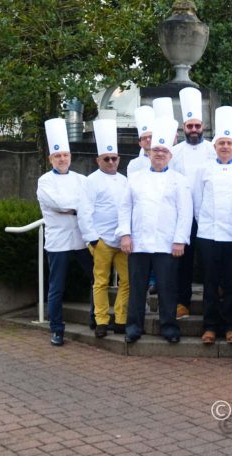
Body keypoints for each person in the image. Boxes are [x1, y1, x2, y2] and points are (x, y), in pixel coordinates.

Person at [117, 118, 193, 344]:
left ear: (170, 155)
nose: (159, 154)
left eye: (164, 151)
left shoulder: (180, 181)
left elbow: (185, 213)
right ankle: (133, 327)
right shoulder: (135, 178)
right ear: (149, 153)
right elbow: (125, 207)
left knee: (168, 289)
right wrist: (125, 235)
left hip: (167, 243)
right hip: (138, 242)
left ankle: (169, 327)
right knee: (137, 287)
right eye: (156, 150)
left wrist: (180, 240)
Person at [192, 106, 232, 346]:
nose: (225, 147)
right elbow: (198, 201)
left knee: (231, 284)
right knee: (210, 283)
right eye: (221, 143)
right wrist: (206, 223)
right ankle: (209, 327)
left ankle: (231, 327)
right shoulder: (204, 169)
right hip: (208, 234)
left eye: (229, 143)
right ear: (215, 146)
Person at [37, 118, 93, 346]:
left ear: (70, 157)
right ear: (51, 158)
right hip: (58, 241)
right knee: (56, 288)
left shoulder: (82, 179)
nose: (62, 159)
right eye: (58, 156)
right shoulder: (44, 181)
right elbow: (59, 204)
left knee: (96, 280)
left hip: (81, 238)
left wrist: (75, 207)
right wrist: (75, 206)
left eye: (66, 155)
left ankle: (95, 319)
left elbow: (88, 205)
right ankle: (57, 329)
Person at [77, 119, 129, 337]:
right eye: (106, 159)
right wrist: (93, 239)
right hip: (102, 241)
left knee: (127, 281)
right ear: (98, 160)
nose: (110, 162)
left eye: (114, 158)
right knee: (101, 282)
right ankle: (100, 320)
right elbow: (84, 211)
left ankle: (121, 319)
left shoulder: (125, 180)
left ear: (119, 159)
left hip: (123, 240)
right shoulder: (91, 181)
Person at [172, 87, 214, 321]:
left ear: (203, 127)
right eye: (190, 126)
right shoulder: (175, 152)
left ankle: (213, 298)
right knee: (184, 261)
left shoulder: (212, 150)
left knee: (208, 261)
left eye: (198, 126)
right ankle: (182, 302)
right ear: (184, 127)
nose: (195, 130)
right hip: (183, 214)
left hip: (207, 213)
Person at [126, 105, 155, 177]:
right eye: (144, 138)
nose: (148, 140)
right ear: (140, 143)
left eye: (150, 137)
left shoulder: (163, 159)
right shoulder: (134, 164)